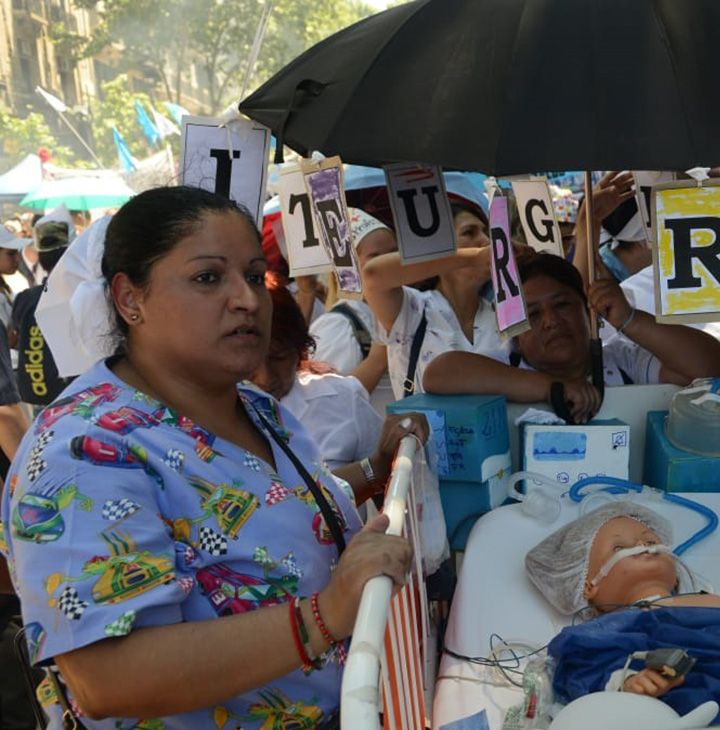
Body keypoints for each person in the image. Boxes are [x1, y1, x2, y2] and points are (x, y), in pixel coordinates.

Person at [0, 186, 425, 729]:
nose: (247, 299)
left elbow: (263, 503)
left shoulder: (250, 403)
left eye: (253, 275)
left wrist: (374, 471)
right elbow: (107, 677)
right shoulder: (83, 449)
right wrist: (323, 615)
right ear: (130, 299)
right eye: (207, 278)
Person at [528, 502, 720, 723]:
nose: (645, 546)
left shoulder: (711, 603)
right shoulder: (604, 628)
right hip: (690, 704)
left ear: (676, 573)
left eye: (650, 539)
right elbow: (585, 670)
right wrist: (626, 684)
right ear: (588, 585)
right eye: (619, 548)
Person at [423, 252, 720, 423]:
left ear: (588, 310)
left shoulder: (622, 361)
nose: (552, 322)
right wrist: (551, 388)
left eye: (562, 305)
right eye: (533, 314)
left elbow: (710, 368)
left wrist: (629, 319)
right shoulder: (506, 365)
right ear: (513, 332)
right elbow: (440, 373)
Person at [360, 173, 508, 399]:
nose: (486, 242)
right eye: (469, 233)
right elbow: (372, 274)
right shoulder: (413, 309)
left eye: (486, 232)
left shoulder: (504, 312)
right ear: (440, 248)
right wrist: (472, 257)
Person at [250, 279, 393, 477]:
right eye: (250, 363)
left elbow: (388, 484)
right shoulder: (203, 426)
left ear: (300, 350)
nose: (265, 379)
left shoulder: (341, 401)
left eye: (278, 358)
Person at [308, 209, 395, 410]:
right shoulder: (338, 324)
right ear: (350, 265)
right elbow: (327, 406)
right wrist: (379, 357)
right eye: (375, 256)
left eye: (393, 252)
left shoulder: (413, 306)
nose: (388, 262)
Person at [10, 209, 76, 407]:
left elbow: (15, 339)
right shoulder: (80, 297)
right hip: (71, 399)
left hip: (33, 400)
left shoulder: (26, 298)